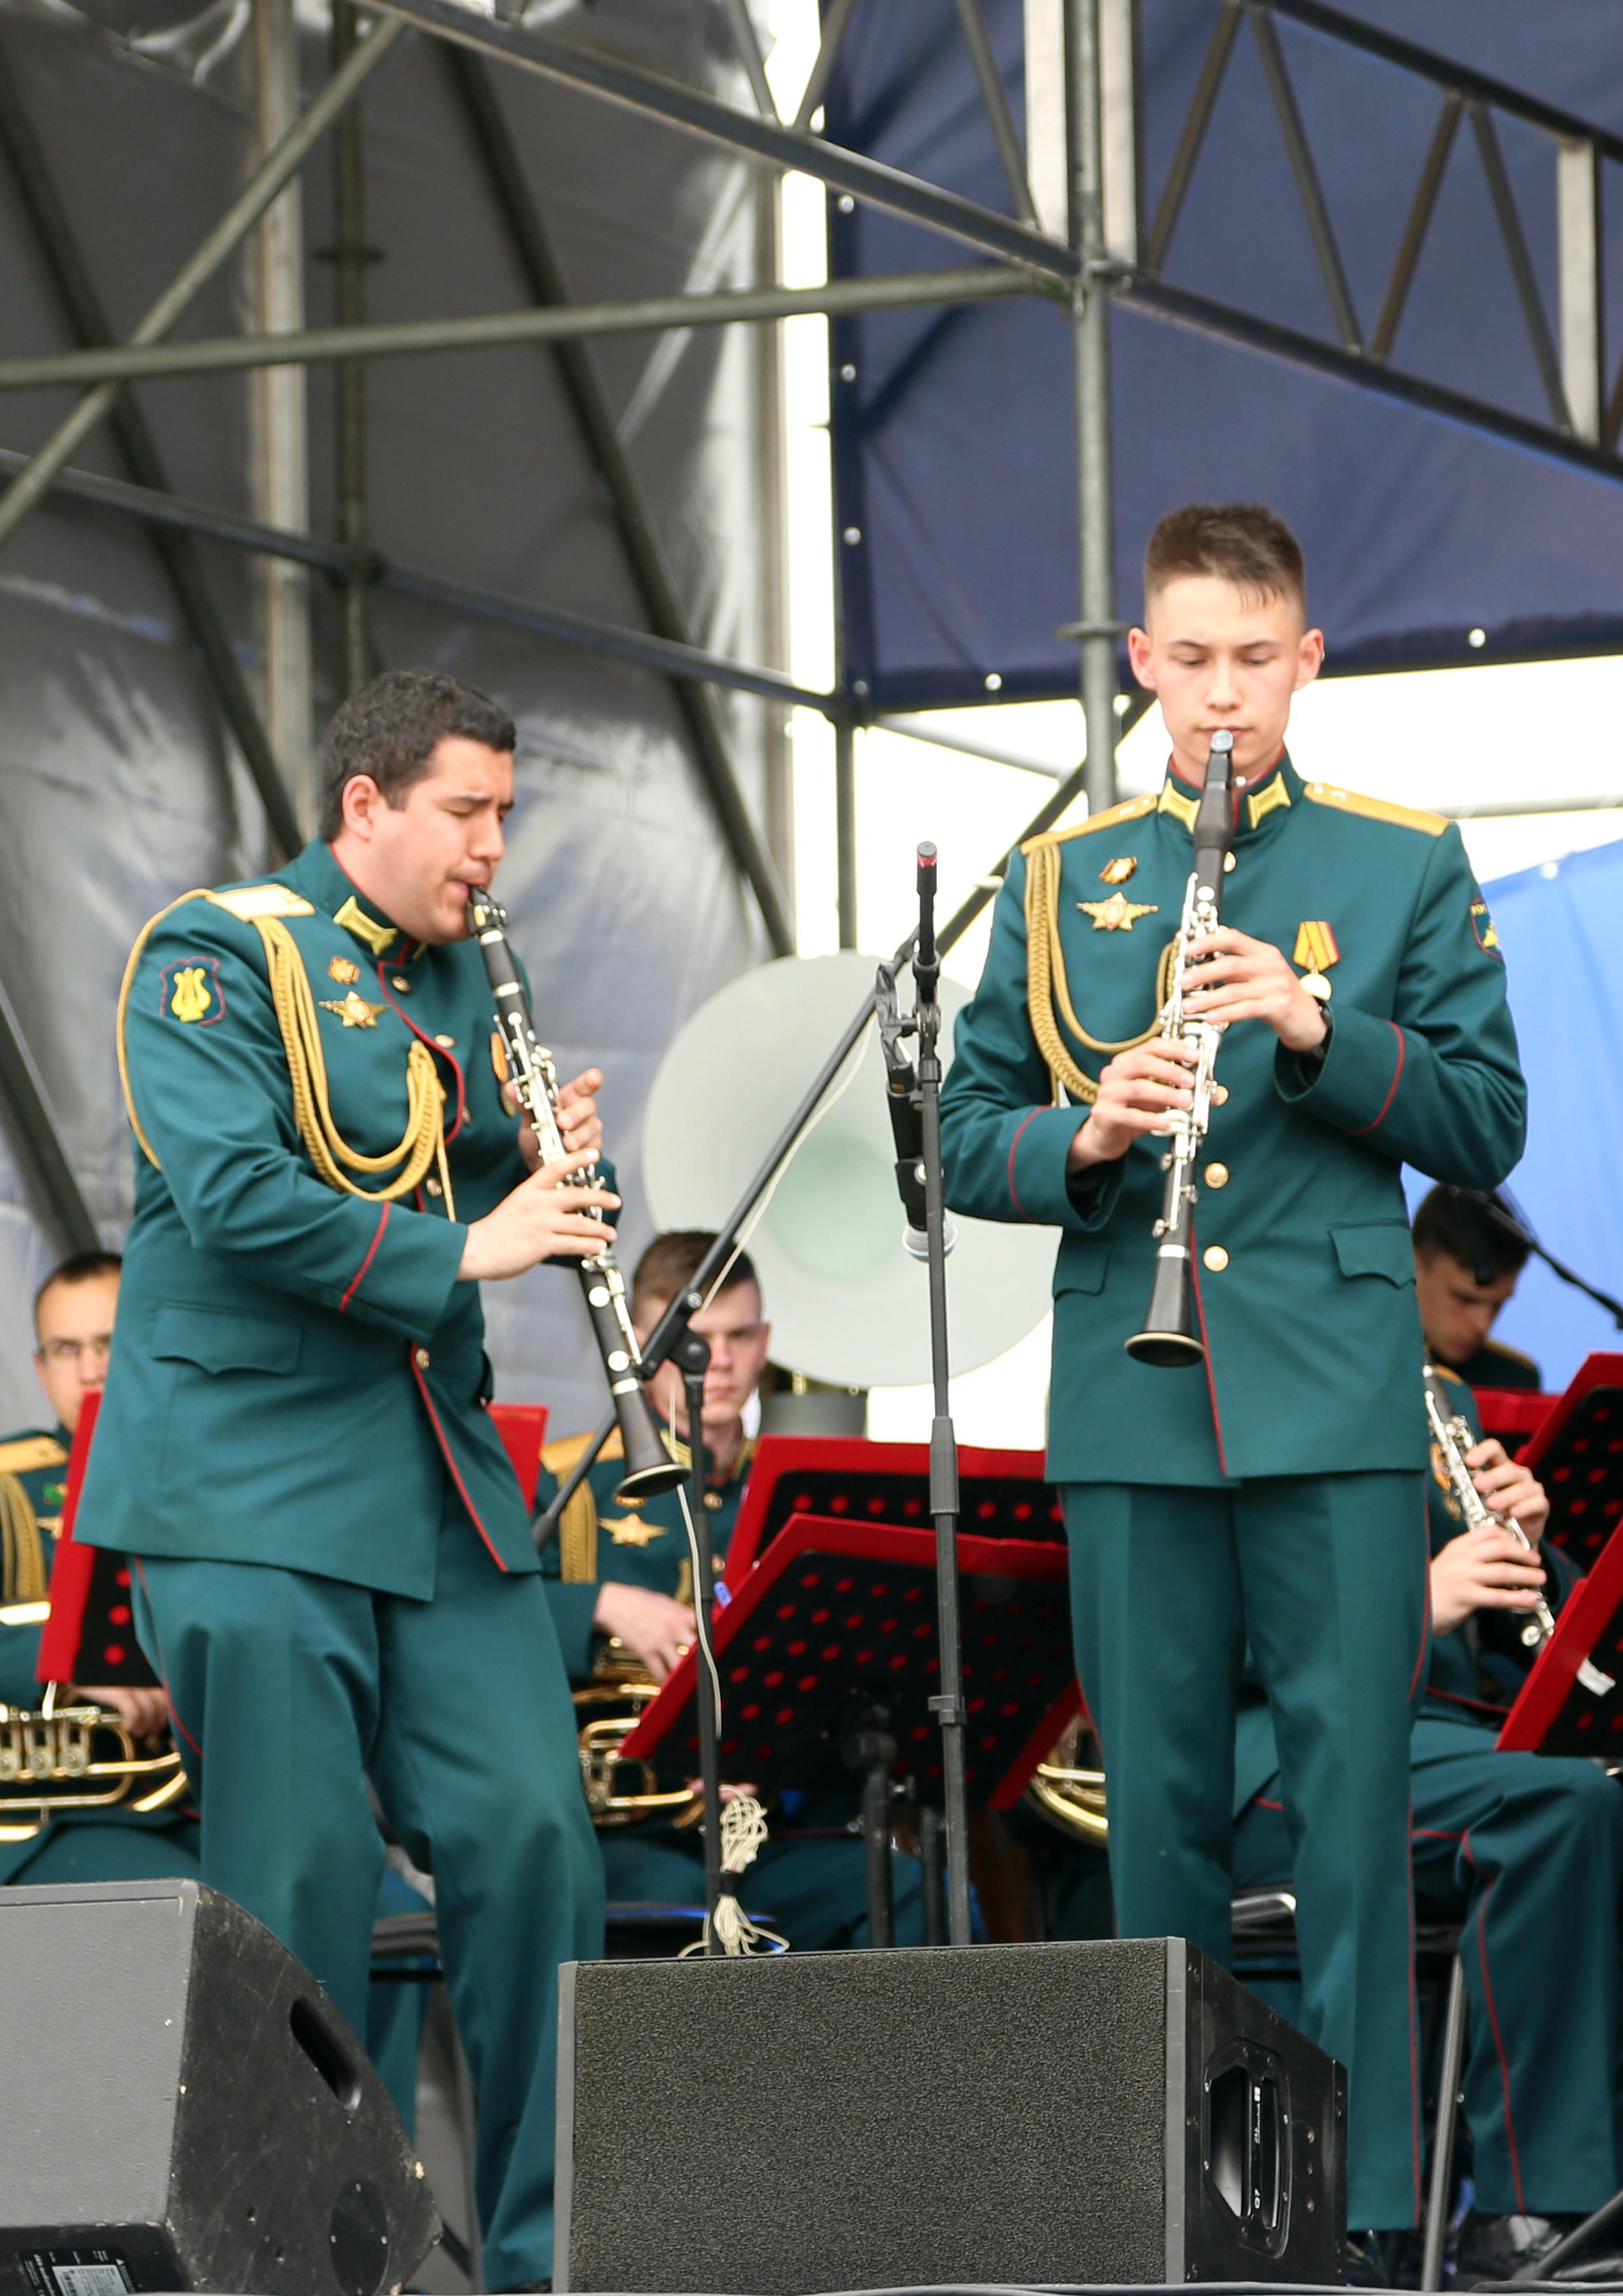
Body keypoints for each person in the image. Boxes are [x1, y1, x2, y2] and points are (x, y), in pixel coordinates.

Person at [939, 502, 1525, 2246]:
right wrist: (1083, 1130)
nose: (1219, 695)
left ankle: (1358, 2218)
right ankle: (1177, 2211)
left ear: (1307, 659)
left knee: (1351, 1817)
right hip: (1133, 1397)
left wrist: (1315, 1025)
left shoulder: (1400, 859)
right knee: (1158, 1822)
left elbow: (1490, 1120)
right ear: (1139, 659)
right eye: (1187, 658)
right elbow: (961, 1132)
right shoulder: (1058, 878)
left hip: (1335, 1399)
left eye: (1253, 660)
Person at [80, 669, 609, 2291]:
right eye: (466, 811)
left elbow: (439, 1165)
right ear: (364, 804)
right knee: (298, 1886)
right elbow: (235, 1193)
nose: (493, 847)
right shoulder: (214, 950)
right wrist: (478, 1241)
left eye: (507, 813)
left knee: (536, 1835)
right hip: (248, 1485)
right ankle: (298, 2268)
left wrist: (534, 1152)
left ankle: (552, 2254)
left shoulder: (458, 977)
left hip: (427, 1481)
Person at [1235, 1367, 1623, 2283]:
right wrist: (1412, 1603)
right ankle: (1529, 2209)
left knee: (1577, 1790)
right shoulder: (1224, 1381)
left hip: (1440, 1736)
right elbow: (1183, 1631)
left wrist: (1530, 1552)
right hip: (1279, 1748)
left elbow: (1505, 1641)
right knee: (1555, 1808)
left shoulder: (1436, 1394)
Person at [535, 1229, 923, 1946]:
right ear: (637, 1342)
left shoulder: (804, 1493)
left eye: (739, 1336)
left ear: (765, 1341)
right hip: (627, 1838)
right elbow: (473, 1622)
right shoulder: (566, 1481)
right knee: (693, 1919)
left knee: (912, 1891)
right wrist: (601, 1605)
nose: (716, 1360)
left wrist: (765, 1753)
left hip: (769, 1833)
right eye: (692, 1338)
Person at [0, 1248, 198, 1882]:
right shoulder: (5, 1480)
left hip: (208, 1800)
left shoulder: (211, 1468)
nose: (91, 1369)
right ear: (40, 1368)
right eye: (66, 1349)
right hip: (56, 1818)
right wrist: (69, 1661)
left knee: (395, 1917)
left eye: (109, 1343)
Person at [1412, 1183, 1542, 1390]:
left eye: (1497, 1305)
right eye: (1465, 1299)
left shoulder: (1516, 1380)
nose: (1482, 1325)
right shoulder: (1362, 1364)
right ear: (1413, 1265)